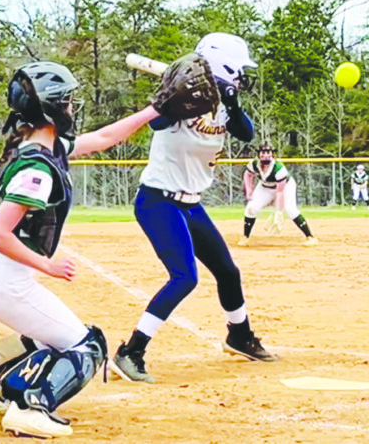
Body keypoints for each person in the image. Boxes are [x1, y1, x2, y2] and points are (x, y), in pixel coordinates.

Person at [0, 61, 164, 438]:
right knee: (87, 345)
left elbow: (103, 139)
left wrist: (155, 109)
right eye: (66, 102)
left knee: (50, 333)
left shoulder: (38, 145)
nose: (71, 108)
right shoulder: (38, 169)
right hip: (1, 276)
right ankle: (30, 405)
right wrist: (47, 266)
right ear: (51, 109)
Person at [111, 33, 277, 385]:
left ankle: (239, 335)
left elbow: (245, 133)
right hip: (158, 201)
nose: (241, 78)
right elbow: (155, 123)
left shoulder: (222, 104)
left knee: (228, 272)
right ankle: (132, 351)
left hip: (191, 204)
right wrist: (172, 97)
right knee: (185, 276)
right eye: (237, 72)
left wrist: (230, 103)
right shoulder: (182, 102)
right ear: (223, 66)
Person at [237, 144, 318, 246]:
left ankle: (310, 237)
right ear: (258, 154)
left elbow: (280, 192)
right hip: (265, 186)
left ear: (272, 155)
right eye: (263, 152)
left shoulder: (279, 169)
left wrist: (278, 212)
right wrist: (249, 190)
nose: (266, 155)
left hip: (286, 187)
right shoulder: (254, 164)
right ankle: (245, 237)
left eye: (268, 152)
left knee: (290, 210)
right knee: (251, 208)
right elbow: (248, 174)